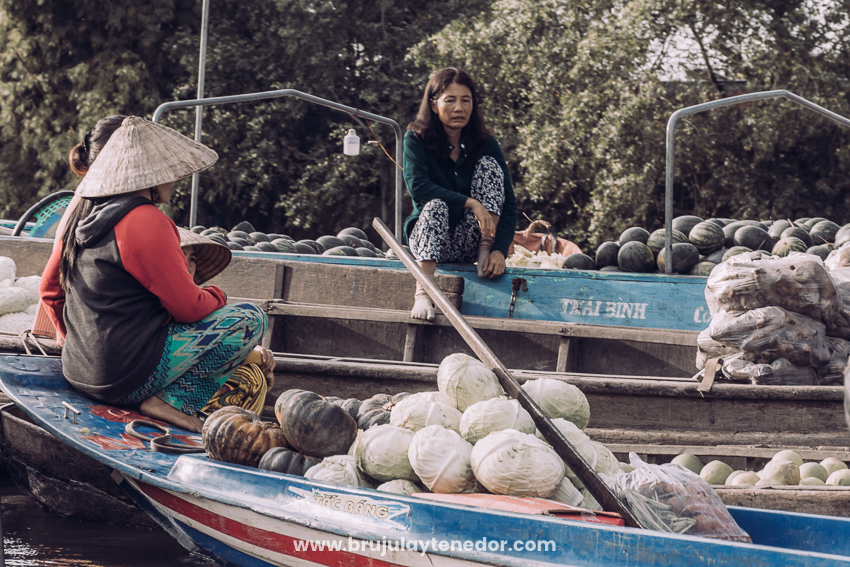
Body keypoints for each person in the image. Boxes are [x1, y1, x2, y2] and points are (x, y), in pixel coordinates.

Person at [39, 116, 267, 433]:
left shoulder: (81, 216)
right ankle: (170, 403)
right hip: (125, 379)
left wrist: (75, 345)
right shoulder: (146, 220)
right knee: (250, 318)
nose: (174, 181)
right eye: (170, 173)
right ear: (151, 176)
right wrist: (218, 296)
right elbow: (188, 308)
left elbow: (50, 293)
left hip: (77, 372)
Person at [403, 68, 517, 321]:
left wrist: (499, 249)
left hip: (471, 243)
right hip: (430, 242)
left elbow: (508, 201)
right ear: (434, 105)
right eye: (450, 100)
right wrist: (470, 203)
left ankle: (484, 253)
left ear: (473, 104)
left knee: (489, 167)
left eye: (465, 100)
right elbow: (417, 186)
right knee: (435, 207)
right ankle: (423, 291)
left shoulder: (486, 143)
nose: (458, 108)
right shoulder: (416, 139)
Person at [176, 227, 275, 415]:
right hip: (156, 380)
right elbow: (188, 348)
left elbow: (209, 341)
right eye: (181, 256)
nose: (188, 266)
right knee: (251, 319)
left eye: (192, 259)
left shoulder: (199, 301)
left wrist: (253, 352)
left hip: (187, 377)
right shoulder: (161, 296)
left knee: (252, 376)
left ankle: (236, 435)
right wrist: (255, 357)